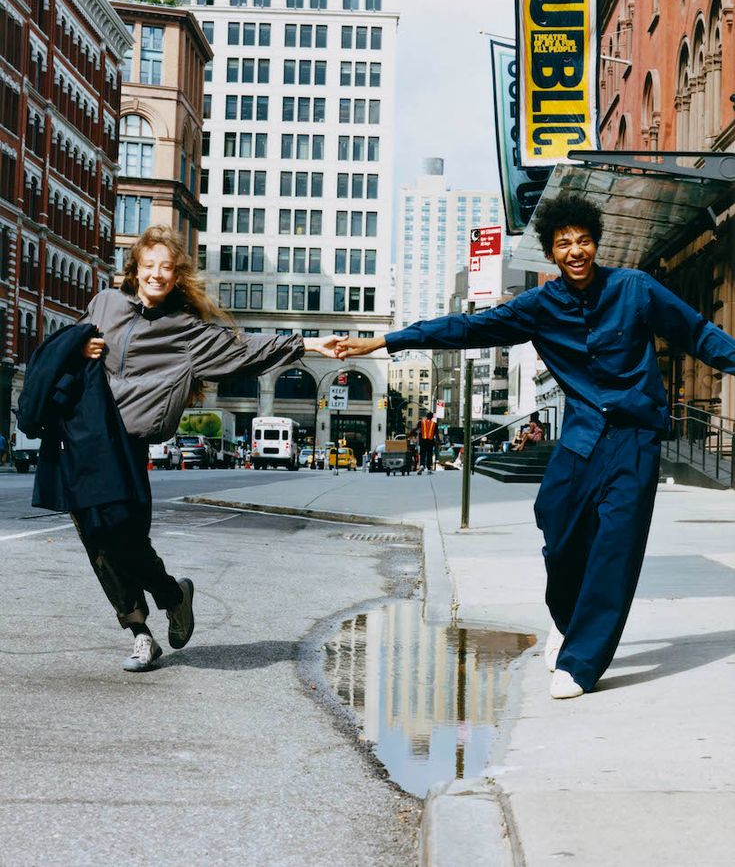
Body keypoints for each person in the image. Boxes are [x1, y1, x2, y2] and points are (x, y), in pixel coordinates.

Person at [336, 193, 735, 700]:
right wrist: (385, 342)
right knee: (557, 525)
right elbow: (467, 328)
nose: (576, 251)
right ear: (551, 252)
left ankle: (582, 664)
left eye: (584, 241)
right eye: (564, 243)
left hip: (635, 438)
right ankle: (567, 619)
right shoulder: (540, 307)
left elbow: (698, 333)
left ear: (596, 244)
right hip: (583, 436)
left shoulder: (635, 288)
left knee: (617, 545)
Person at [45, 226, 340, 673]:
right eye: (149, 266)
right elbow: (72, 346)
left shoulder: (185, 332)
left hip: (128, 447)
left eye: (165, 267)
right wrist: (82, 345)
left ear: (176, 275)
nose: (156, 274)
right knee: (98, 543)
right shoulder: (105, 303)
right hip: (87, 440)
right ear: (135, 269)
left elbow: (244, 350)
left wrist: (308, 343)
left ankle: (172, 594)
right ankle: (142, 634)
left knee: (125, 537)